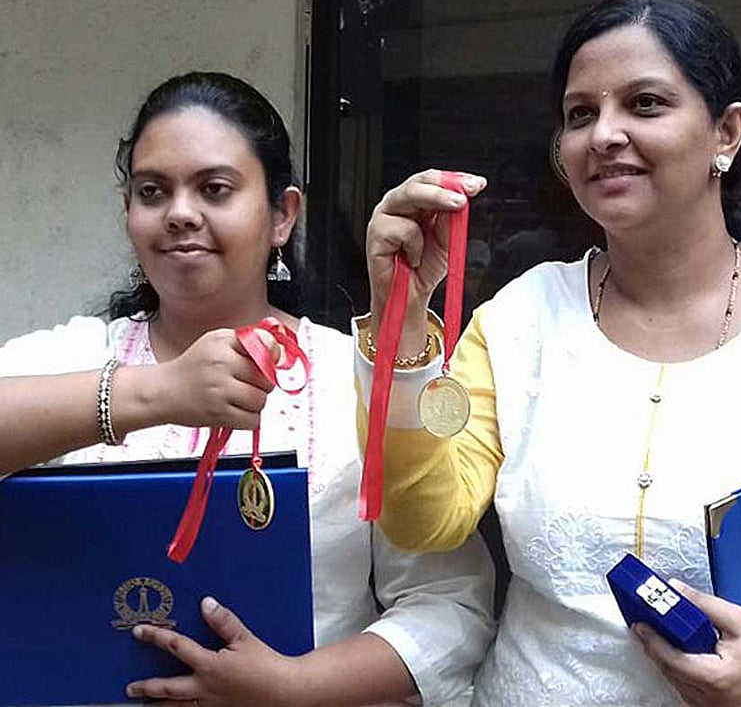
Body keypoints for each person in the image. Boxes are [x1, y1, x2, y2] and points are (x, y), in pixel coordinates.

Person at [355, 0, 741, 706]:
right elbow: (425, 518)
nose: (604, 134)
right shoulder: (523, 318)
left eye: (644, 104)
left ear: (726, 133)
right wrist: (403, 315)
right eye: (580, 114)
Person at [0, 71, 495, 707]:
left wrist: (292, 687)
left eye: (214, 189)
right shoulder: (78, 356)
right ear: (129, 212)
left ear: (283, 215)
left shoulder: (359, 375)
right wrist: (152, 394)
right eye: (153, 192)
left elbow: (448, 604)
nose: (180, 213)